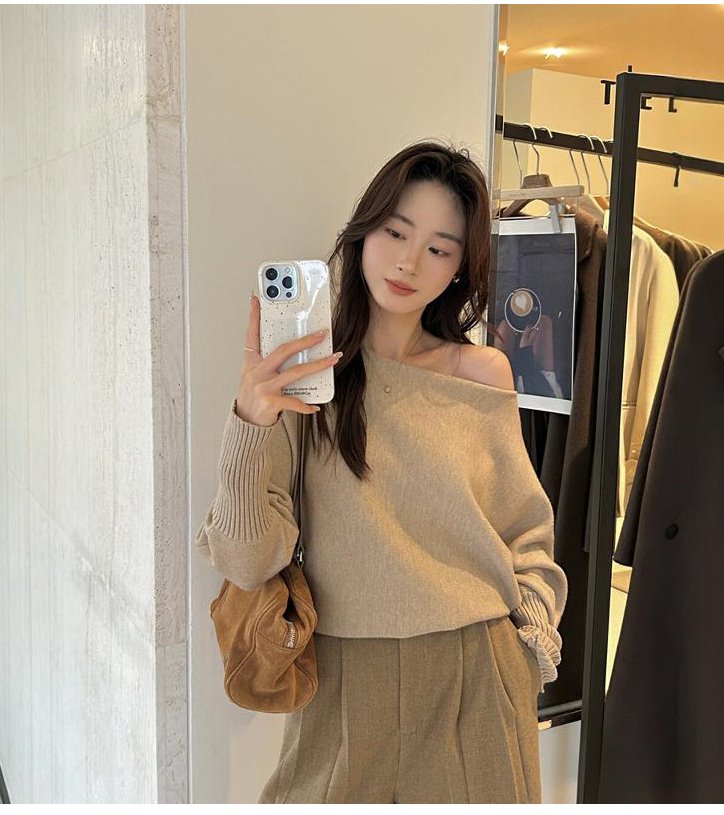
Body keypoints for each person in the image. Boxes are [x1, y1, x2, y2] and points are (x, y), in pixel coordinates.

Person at [196, 141, 568, 804]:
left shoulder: (481, 373)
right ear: (364, 231)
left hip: (476, 675)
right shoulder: (305, 383)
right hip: (345, 680)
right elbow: (249, 559)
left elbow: (525, 528)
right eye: (397, 232)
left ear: (460, 267)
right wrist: (251, 417)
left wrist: (525, 647)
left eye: (439, 247)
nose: (409, 261)